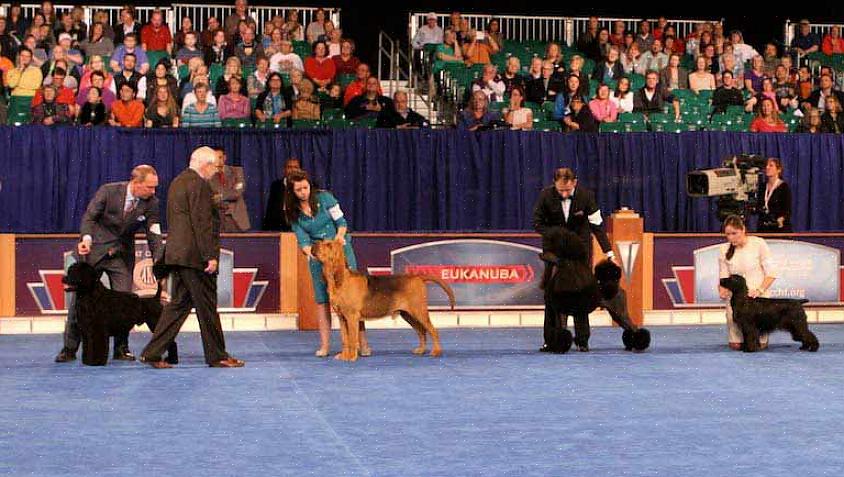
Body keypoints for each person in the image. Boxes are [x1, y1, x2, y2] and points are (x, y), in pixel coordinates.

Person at [140, 147, 244, 369]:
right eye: (214, 167)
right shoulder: (199, 185)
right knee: (207, 307)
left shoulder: (178, 182)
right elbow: (202, 222)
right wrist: (210, 257)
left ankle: (152, 352)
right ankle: (218, 356)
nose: (215, 172)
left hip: (178, 255)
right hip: (195, 257)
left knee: (178, 306)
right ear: (205, 165)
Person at [54, 165, 164, 363]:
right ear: (136, 183)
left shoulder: (152, 203)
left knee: (125, 304)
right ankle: (69, 348)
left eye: (155, 188)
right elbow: (90, 217)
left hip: (121, 255)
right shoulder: (108, 191)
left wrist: (159, 260)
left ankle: (121, 349)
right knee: (80, 302)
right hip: (93, 251)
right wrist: (86, 239)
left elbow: (154, 233)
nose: (153, 192)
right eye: (150, 187)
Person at [285, 169, 371, 358]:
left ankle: (362, 344)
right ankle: (325, 346)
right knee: (322, 300)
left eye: (306, 187)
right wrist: (313, 254)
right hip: (318, 257)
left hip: (341, 252)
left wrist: (339, 238)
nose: (303, 192)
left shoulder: (326, 198)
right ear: (292, 192)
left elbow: (341, 222)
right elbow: (303, 240)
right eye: (298, 190)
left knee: (353, 301)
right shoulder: (292, 212)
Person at [533, 168, 615, 352]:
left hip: (580, 254)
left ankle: (582, 340)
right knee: (552, 296)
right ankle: (551, 340)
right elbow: (537, 223)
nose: (563, 193)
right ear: (554, 184)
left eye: (567, 190)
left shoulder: (587, 196)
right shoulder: (545, 196)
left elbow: (597, 225)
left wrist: (609, 252)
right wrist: (557, 235)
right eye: (560, 190)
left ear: (575, 183)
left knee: (582, 293)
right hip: (555, 254)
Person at [718, 215, 777, 351]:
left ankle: (761, 337)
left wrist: (760, 290)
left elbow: (772, 273)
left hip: (758, 298)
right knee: (736, 346)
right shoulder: (723, 249)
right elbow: (723, 276)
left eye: (734, 233)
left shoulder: (759, 244)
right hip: (737, 302)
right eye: (727, 234)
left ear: (743, 230)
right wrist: (722, 290)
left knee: (758, 345)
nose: (731, 238)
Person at [209, 148, 250, 232]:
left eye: (220, 157)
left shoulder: (237, 171)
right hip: (219, 221)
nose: (218, 161)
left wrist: (220, 196)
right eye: (215, 158)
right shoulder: (209, 176)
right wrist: (228, 193)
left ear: (224, 157)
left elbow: (237, 193)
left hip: (238, 221)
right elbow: (211, 199)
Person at [263, 157, 302, 231]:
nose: (292, 170)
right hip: (279, 225)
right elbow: (270, 208)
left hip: (299, 224)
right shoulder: (276, 185)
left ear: (300, 170)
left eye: (295, 167)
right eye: (289, 167)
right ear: (284, 170)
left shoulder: (305, 186)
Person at [757, 158, 792, 233]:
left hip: (779, 228)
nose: (767, 168)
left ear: (778, 170)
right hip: (763, 228)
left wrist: (782, 218)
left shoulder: (783, 187)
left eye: (771, 165)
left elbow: (787, 209)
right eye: (766, 166)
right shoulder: (762, 187)